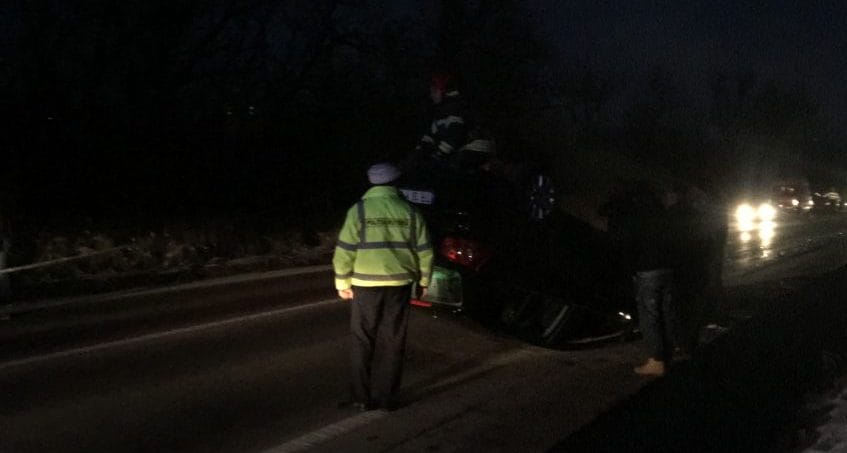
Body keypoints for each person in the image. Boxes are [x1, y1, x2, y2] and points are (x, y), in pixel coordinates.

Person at [333, 162, 434, 411]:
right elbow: (425, 251)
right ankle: (389, 399)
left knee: (362, 340)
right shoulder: (410, 212)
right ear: (396, 183)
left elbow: (344, 251)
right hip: (399, 284)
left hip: (365, 284)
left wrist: (342, 282)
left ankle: (361, 398)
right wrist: (423, 281)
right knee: (393, 340)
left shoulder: (359, 211)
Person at [626, 182, 684, 377]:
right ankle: (668, 352)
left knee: (650, 316)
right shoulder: (665, 215)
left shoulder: (637, 216)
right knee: (666, 312)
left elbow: (632, 244)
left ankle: (656, 360)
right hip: (667, 269)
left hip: (648, 270)